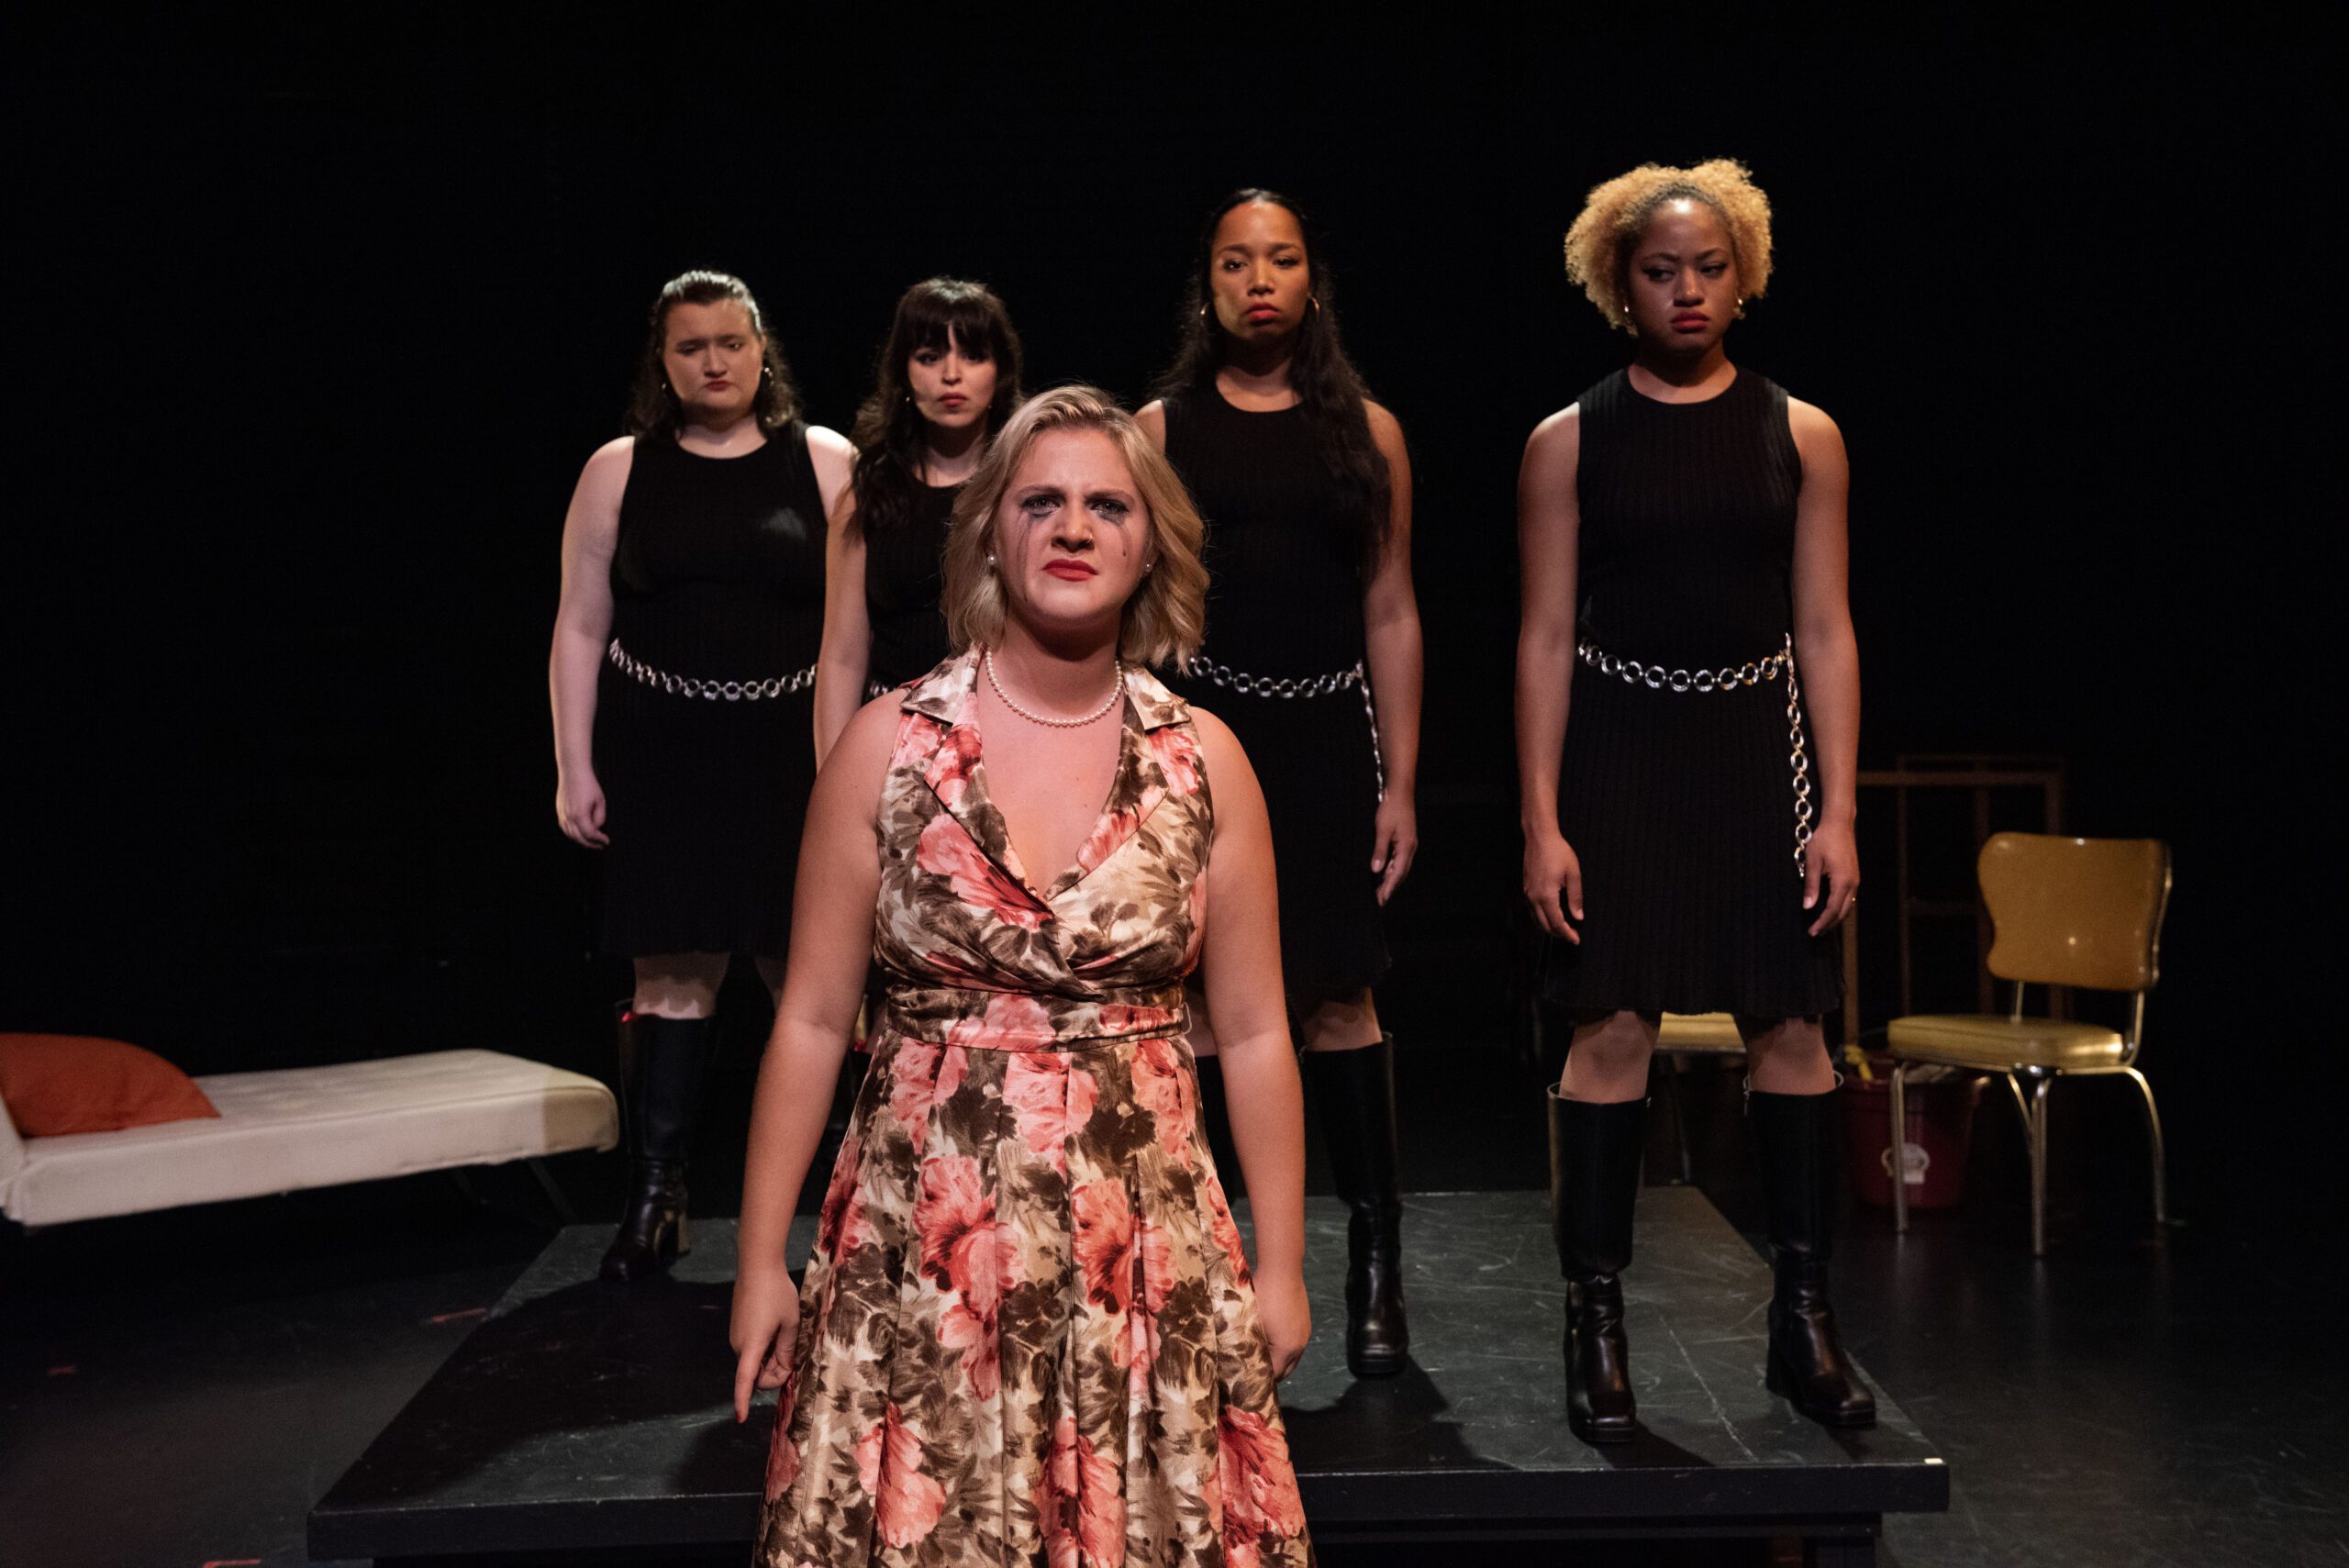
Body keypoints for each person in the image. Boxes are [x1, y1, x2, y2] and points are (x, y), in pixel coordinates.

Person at [731, 387, 1314, 1566]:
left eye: (1108, 504)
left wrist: (1287, 1265)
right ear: (991, 529)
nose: (1074, 526)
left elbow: (1252, 1031)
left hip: (1144, 1259)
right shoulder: (886, 745)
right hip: (919, 1257)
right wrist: (756, 1263)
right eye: (1040, 500)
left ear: (1150, 541)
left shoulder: (1205, 761)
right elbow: (805, 1016)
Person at [1516, 160, 1874, 1440]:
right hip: (1620, 742)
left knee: (1793, 1030)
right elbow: (1546, 631)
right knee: (1610, 1030)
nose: (1687, 290)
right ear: (1620, 283)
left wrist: (1834, 809)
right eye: (1661, 271)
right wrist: (1542, 816)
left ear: (1746, 277)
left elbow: (1825, 628)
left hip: (1750, 745)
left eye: (1708, 268)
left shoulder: (1802, 431)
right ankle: (1595, 1325)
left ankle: (1805, 1320)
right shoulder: (1570, 437)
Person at [1139, 188, 1424, 1381]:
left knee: (1339, 1004)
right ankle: (1223, 1256)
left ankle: (1370, 1258)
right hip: (1208, 739)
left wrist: (1401, 780)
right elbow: (1136, 611)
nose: (1260, 280)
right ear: (1206, 281)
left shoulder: (1367, 429)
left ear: (1313, 280)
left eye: (1283, 260)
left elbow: (1393, 609)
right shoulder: (1159, 428)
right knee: (1203, 1007)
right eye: (1236, 261)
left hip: (1323, 740)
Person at [549, 270, 852, 1281]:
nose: (713, 362)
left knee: (807, 978)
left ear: (762, 348)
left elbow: (861, 626)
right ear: (663, 361)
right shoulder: (618, 467)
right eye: (691, 347)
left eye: (730, 342)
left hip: (792, 754)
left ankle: (835, 1207)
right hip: (662, 750)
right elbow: (581, 623)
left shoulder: (822, 460)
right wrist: (573, 762)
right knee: (670, 974)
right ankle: (656, 1195)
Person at [814, 277, 1025, 763]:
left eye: (972, 356)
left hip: (1007, 738)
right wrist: (832, 776)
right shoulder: (869, 491)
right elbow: (843, 656)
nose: (951, 375)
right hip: (891, 738)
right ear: (903, 373)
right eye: (930, 357)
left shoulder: (1027, 486)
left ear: (1001, 372)